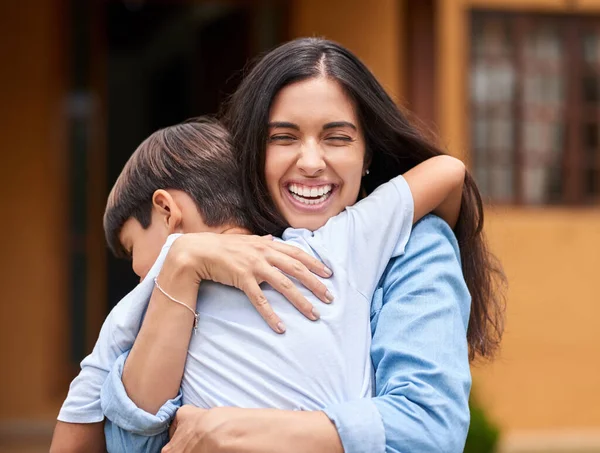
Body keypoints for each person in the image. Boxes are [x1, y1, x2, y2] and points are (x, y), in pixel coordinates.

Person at [101, 38, 505, 453]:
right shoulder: (199, 254)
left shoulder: (404, 244)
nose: (311, 163)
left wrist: (231, 432)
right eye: (283, 137)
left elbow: (428, 431)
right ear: (251, 150)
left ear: (367, 153)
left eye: (337, 138)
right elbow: (130, 441)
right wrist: (184, 263)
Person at [51, 105, 466, 452]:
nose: (136, 270)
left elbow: (73, 438)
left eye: (130, 249)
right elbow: (448, 170)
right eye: (284, 138)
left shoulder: (158, 285)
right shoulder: (335, 246)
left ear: (165, 210)